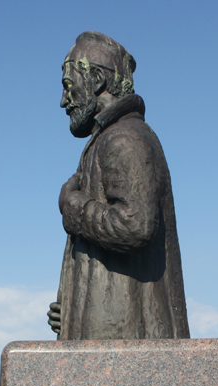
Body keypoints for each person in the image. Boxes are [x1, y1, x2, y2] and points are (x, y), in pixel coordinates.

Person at [48, 31, 190, 340]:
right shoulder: (108, 138)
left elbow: (134, 226)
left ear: (97, 79)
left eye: (68, 87)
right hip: (115, 341)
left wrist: (71, 205)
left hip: (127, 342)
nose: (63, 102)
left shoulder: (124, 138)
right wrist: (71, 308)